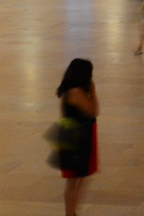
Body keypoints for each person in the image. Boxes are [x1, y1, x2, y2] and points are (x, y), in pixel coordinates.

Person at [52, 58, 99, 216]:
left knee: (77, 179)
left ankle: (71, 213)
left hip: (73, 135)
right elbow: (93, 111)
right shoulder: (76, 92)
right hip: (77, 137)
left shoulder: (69, 89)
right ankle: (70, 213)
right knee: (74, 180)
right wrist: (92, 92)